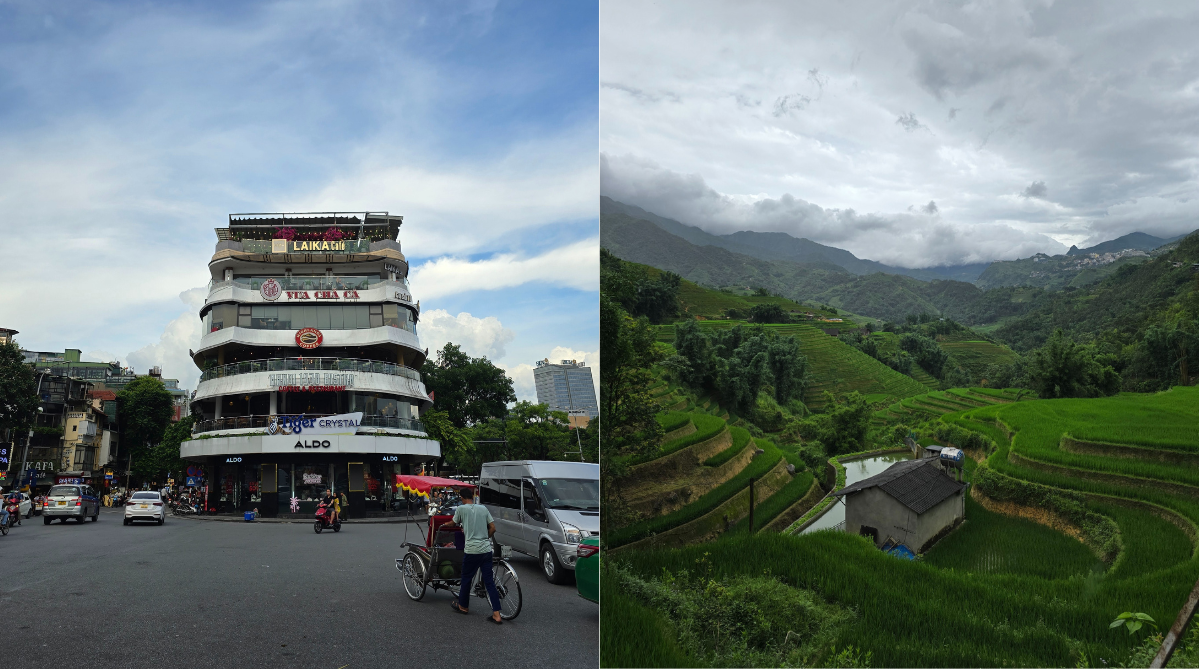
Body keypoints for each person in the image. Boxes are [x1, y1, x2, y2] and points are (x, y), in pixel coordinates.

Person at [448, 486, 503, 624]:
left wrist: (444, 524)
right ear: (472, 497)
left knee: (466, 578)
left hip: (472, 551)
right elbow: (493, 528)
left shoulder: (461, 509)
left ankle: (463, 606)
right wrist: (485, 538)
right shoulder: (483, 508)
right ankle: (497, 614)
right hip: (486, 550)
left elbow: (453, 522)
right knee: (489, 582)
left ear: (461, 498)